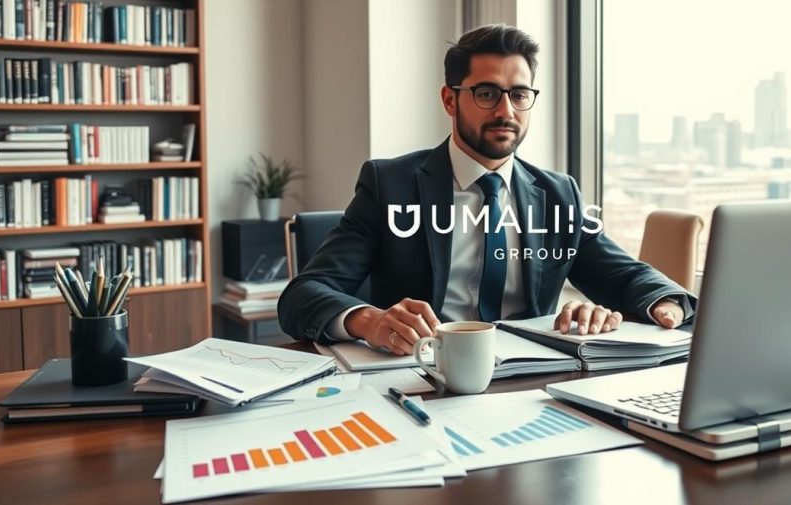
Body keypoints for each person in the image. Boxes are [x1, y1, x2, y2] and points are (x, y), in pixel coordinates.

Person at [278, 24, 696, 355]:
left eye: (518, 94)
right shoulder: (391, 185)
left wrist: (667, 305)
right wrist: (369, 321)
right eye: (486, 93)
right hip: (420, 377)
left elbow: (626, 277)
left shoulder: (558, 194)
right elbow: (302, 296)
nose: (505, 111)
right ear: (449, 99)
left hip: (532, 384)